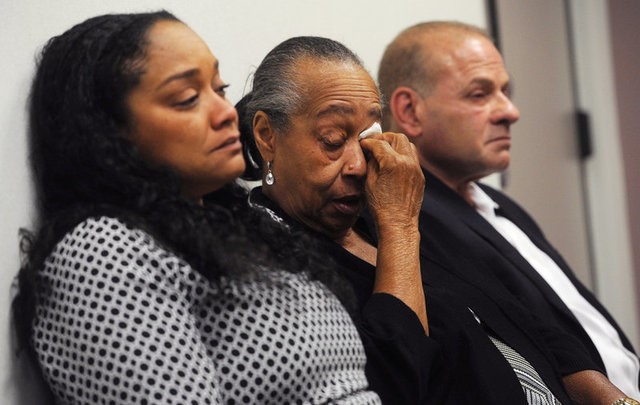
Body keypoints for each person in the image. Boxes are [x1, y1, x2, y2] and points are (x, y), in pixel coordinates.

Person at [12, 11, 386, 404]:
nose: (226, 113)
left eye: (218, 89)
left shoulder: (237, 228)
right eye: (188, 98)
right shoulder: (103, 253)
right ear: (108, 128)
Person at [238, 35, 631, 405]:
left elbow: (525, 320)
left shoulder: (383, 207)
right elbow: (396, 380)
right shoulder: (265, 257)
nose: (359, 165)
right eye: (333, 140)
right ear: (267, 135)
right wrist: (399, 228)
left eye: (365, 137)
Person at [378, 20, 640, 404]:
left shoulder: (499, 204)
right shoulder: (408, 221)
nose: (510, 112)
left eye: (506, 92)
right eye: (480, 94)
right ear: (410, 111)